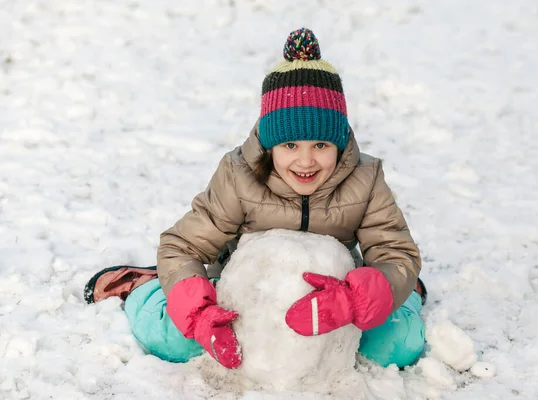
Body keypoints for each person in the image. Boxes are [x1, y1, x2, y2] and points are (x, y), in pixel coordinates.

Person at [84, 28, 426, 370]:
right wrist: (201, 313)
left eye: (320, 145)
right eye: (290, 145)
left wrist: (368, 294)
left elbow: (396, 253)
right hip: (245, 295)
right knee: (173, 341)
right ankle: (143, 288)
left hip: (331, 303)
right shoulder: (239, 175)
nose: (305, 161)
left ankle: (400, 295)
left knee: (397, 347)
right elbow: (182, 247)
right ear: (270, 144)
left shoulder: (365, 178)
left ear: (338, 142)